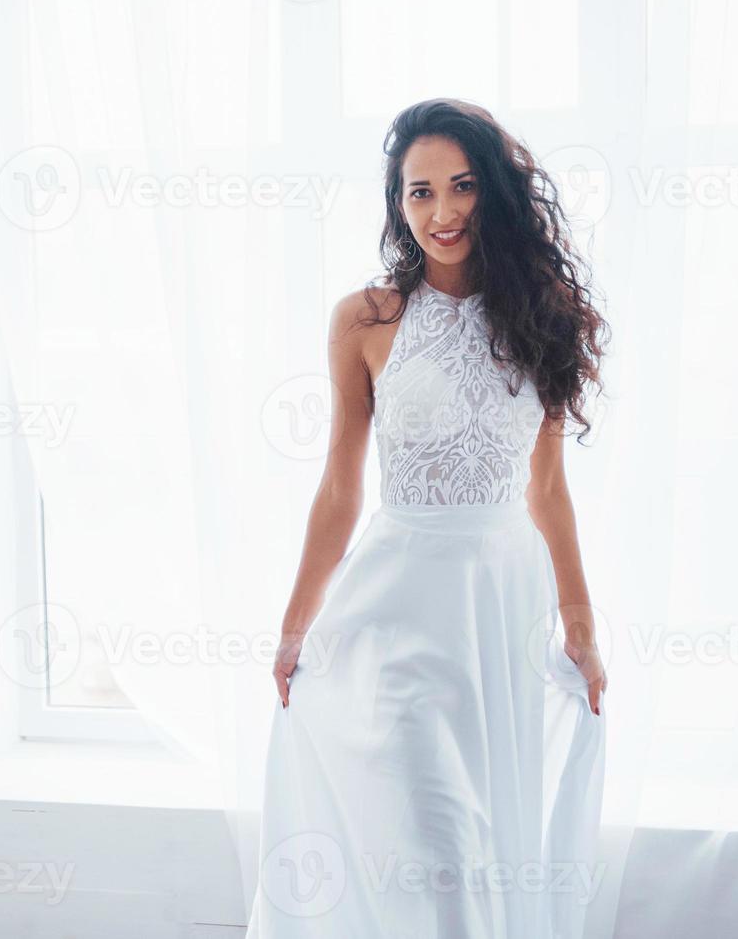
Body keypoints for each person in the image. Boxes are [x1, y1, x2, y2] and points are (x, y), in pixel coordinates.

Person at [244, 99, 609, 938]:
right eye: (418, 192)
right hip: (397, 612)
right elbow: (340, 489)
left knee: (481, 844)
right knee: (436, 837)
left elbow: (548, 492)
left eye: (463, 186)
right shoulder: (365, 321)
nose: (441, 212)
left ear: (496, 196)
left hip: (500, 611)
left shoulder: (544, 321)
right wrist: (296, 624)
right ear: (396, 205)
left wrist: (581, 630)